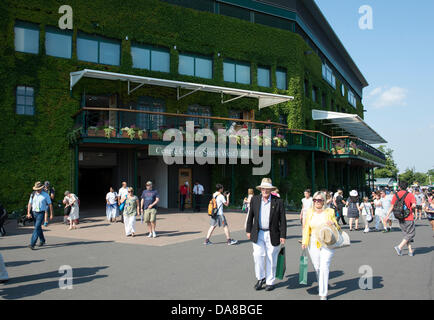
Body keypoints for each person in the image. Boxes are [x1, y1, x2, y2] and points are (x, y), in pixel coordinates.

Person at [246, 178, 286, 292]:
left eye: (267, 189)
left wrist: (283, 235)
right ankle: (261, 278)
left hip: (273, 233)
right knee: (258, 255)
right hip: (258, 232)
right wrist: (248, 230)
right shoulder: (255, 199)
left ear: (271, 190)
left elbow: (282, 220)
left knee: (271, 258)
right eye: (263, 188)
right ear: (261, 189)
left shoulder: (278, 201)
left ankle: (270, 281)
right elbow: (251, 216)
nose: (265, 190)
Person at [302, 191, 340, 300]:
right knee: (317, 267)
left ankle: (323, 293)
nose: (317, 202)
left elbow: (337, 226)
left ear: (324, 201)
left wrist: (333, 223)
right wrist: (305, 241)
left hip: (327, 242)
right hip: (313, 242)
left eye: (319, 200)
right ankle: (321, 284)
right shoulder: (309, 212)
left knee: (324, 266)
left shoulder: (329, 211)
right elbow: (306, 228)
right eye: (315, 200)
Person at [384, 181, 417, 256]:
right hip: (408, 216)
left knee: (406, 234)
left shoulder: (396, 195)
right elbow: (414, 205)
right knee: (411, 234)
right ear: (407, 187)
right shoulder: (410, 195)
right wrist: (411, 207)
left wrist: (387, 216)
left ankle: (410, 251)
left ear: (399, 187)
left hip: (400, 217)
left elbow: (392, 206)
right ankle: (399, 247)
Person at [27, 182, 53, 250]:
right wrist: (28, 213)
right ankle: (42, 240)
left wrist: (51, 214)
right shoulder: (32, 194)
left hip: (41, 213)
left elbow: (50, 204)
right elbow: (29, 203)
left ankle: (32, 243)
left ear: (42, 188)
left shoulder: (46, 195)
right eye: (36, 189)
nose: (37, 190)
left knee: (36, 227)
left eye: (38, 189)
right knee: (38, 228)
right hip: (34, 212)